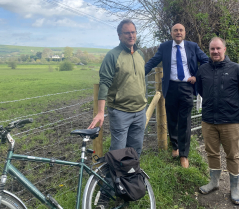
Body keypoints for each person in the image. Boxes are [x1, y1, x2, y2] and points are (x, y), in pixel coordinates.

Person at [145, 23, 208, 168]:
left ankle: (184, 155)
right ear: (171, 33)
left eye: (181, 30)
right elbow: (153, 62)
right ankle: (175, 146)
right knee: (172, 119)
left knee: (184, 121)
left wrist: (197, 76)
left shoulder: (193, 46)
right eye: (175, 30)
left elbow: (205, 61)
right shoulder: (165, 47)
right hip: (171, 87)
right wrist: (139, 73)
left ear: (184, 33)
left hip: (187, 87)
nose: (178, 32)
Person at [196, 37, 239, 205]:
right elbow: (200, 90)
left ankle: (234, 188)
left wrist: (230, 105)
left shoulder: (237, 69)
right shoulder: (202, 70)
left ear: (225, 49)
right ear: (209, 50)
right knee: (212, 152)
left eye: (218, 48)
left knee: (232, 155)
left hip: (230, 120)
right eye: (212, 49)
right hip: (209, 120)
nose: (215, 52)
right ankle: (214, 182)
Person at [88, 19, 147, 157]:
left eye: (133, 32)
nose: (131, 35)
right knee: (118, 151)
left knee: (136, 150)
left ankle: (131, 177)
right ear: (119, 36)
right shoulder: (112, 56)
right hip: (120, 112)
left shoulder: (141, 54)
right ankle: (113, 178)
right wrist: (101, 112)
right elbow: (104, 84)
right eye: (127, 33)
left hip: (140, 111)